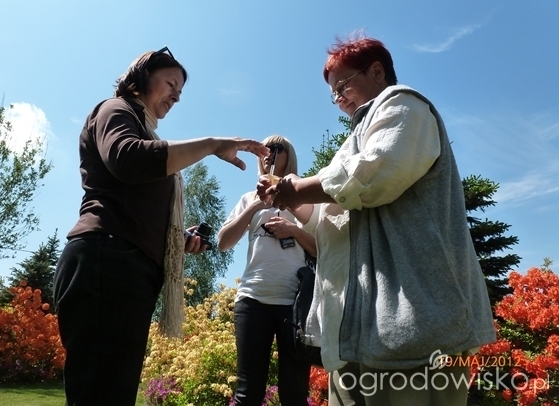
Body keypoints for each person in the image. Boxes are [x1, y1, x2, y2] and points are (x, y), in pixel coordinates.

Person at [258, 35, 496, 406]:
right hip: (359, 328)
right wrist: (284, 195)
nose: (339, 98)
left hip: (415, 322)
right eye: (333, 94)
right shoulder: (356, 137)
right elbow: (328, 216)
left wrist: (297, 188)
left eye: (343, 85)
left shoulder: (404, 105)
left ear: (377, 71)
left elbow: (372, 174)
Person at [53, 47, 268, 406]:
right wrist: (212, 144)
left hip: (125, 266)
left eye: (180, 92)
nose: (176, 96)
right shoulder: (115, 109)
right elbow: (128, 160)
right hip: (106, 262)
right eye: (171, 84)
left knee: (113, 393)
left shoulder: (142, 128)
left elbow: (137, 205)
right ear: (140, 78)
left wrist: (179, 238)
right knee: (100, 393)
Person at [218, 135, 316, 406]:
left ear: (289, 155)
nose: (268, 153)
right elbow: (223, 243)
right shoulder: (248, 199)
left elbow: (319, 249)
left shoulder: (303, 200)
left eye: (276, 148)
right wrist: (255, 205)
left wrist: (293, 230)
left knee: (294, 394)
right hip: (253, 300)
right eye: (263, 149)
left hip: (294, 304)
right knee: (247, 393)